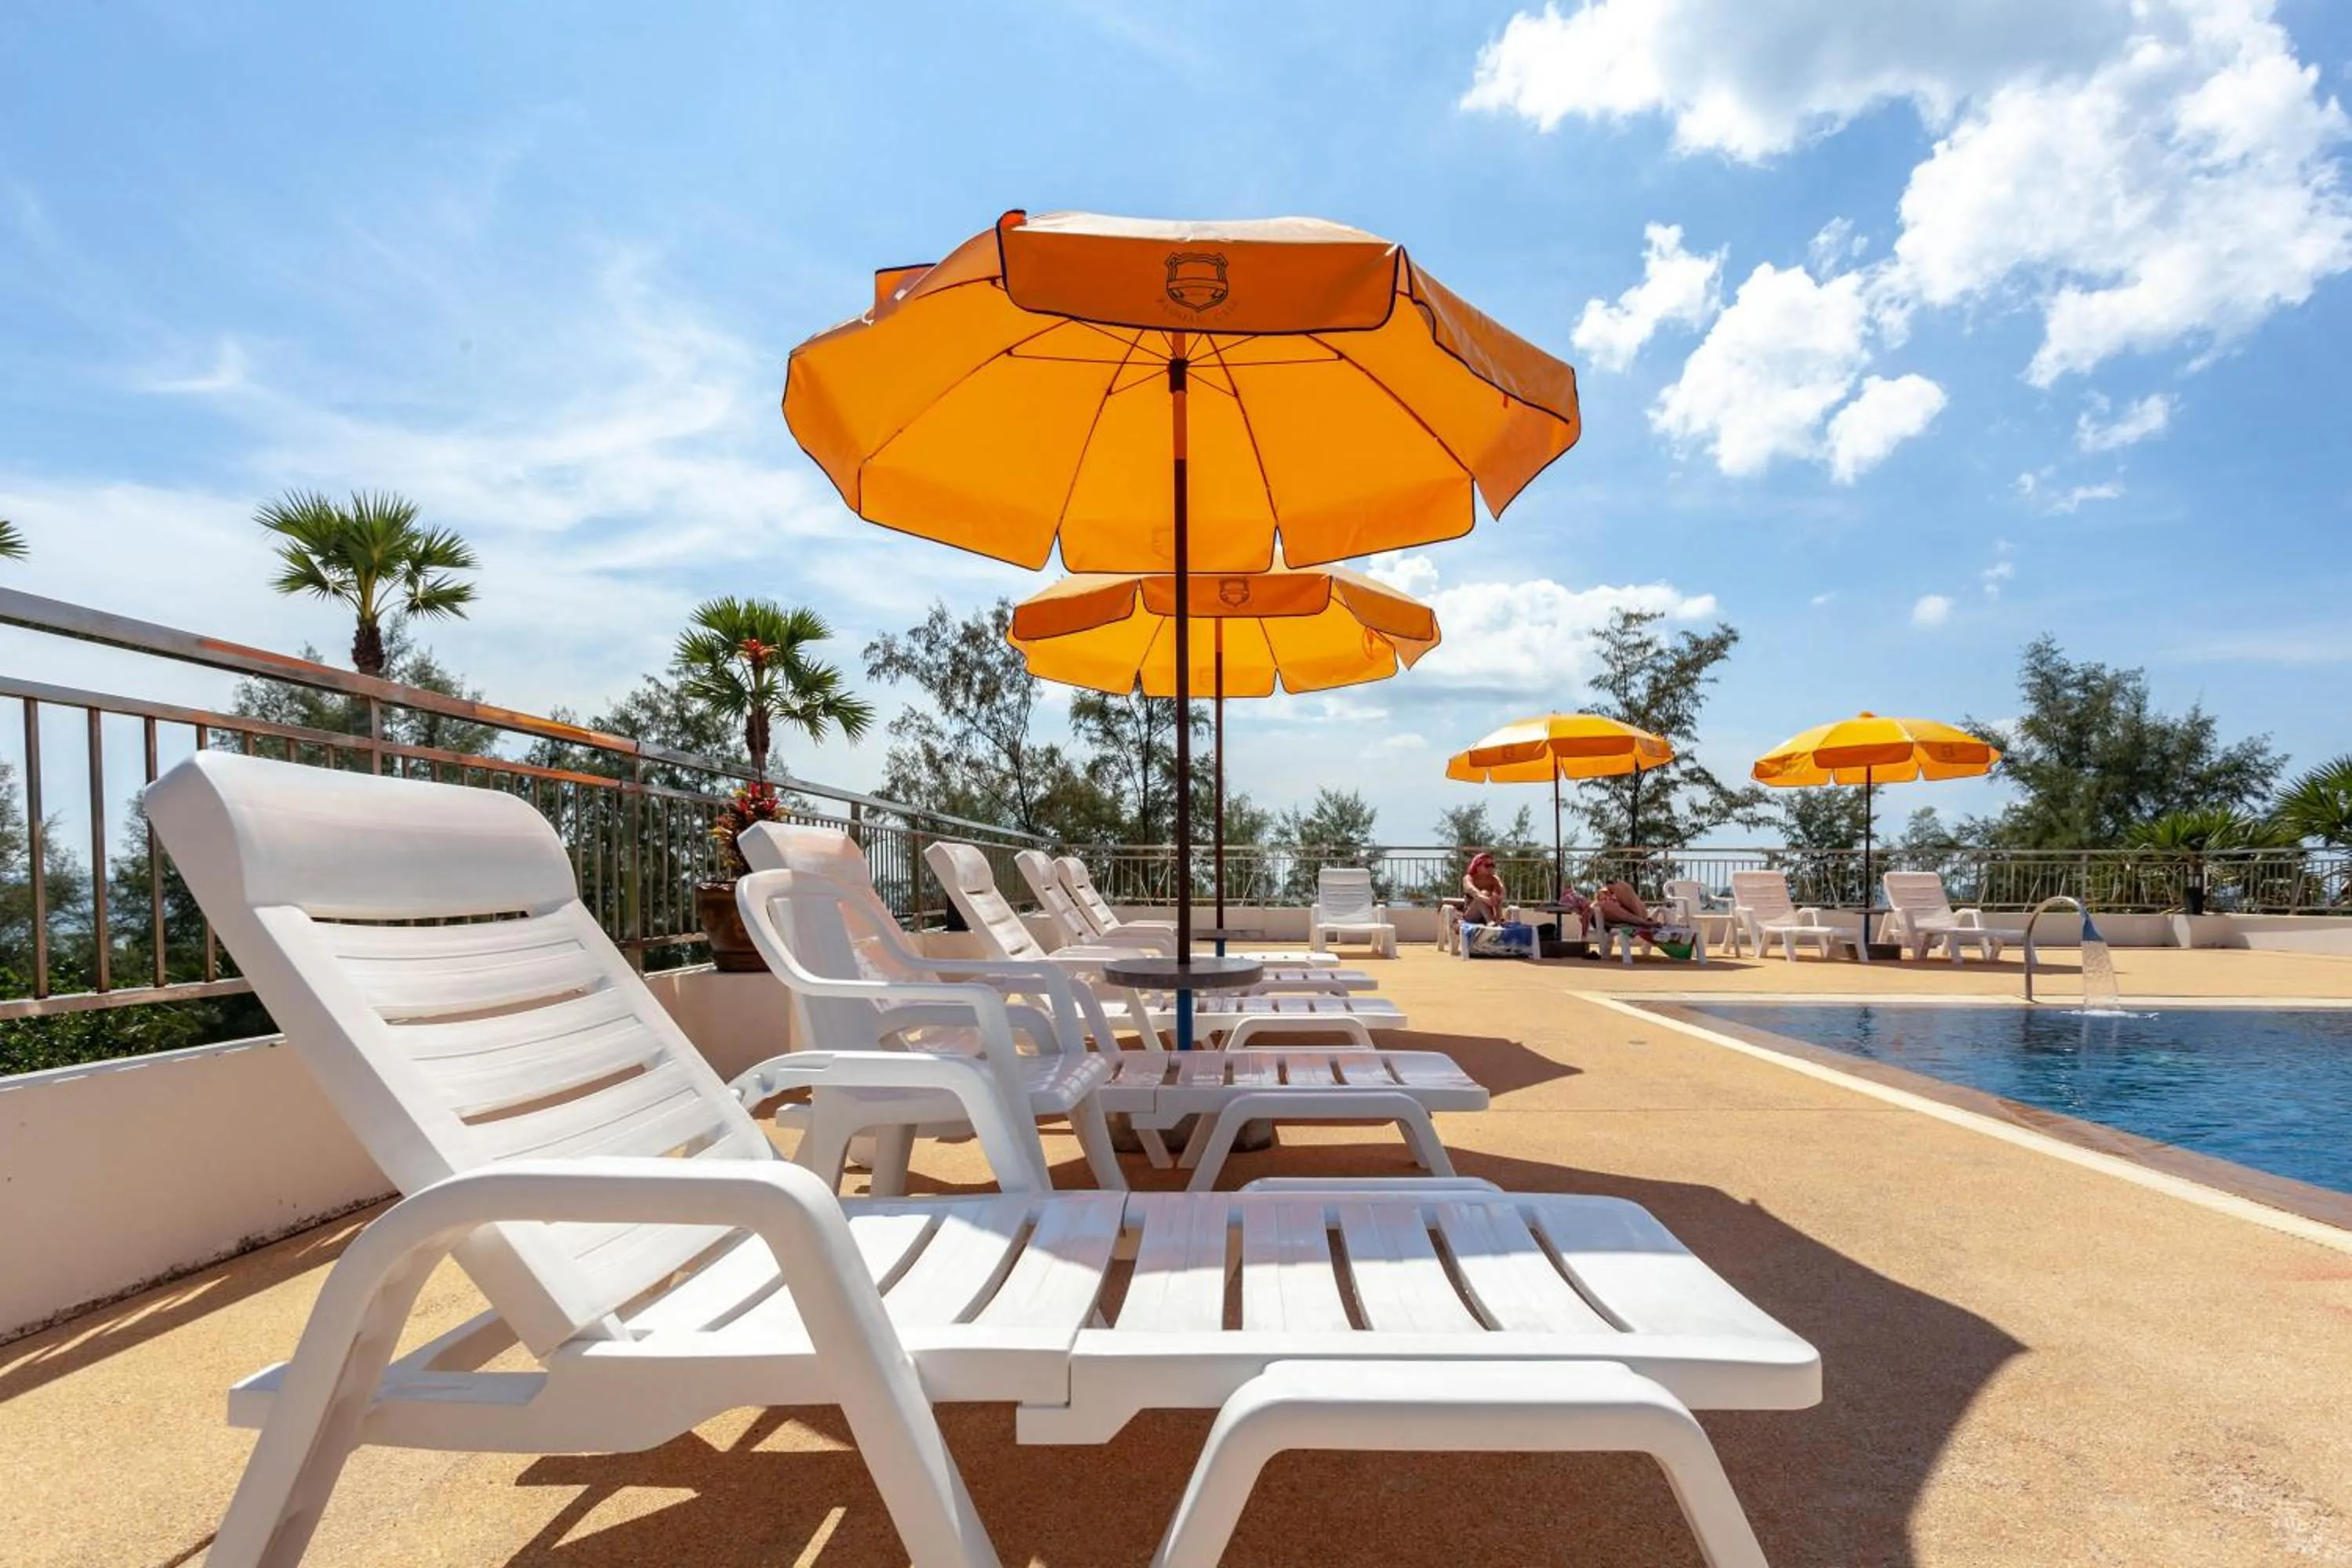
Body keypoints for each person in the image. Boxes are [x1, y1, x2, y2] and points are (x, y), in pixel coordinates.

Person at [1461, 851, 1508, 925]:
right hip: (1472, 915)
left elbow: (1503, 892)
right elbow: (1474, 892)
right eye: (1487, 865)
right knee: (1483, 894)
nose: (1491, 868)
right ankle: (1490, 921)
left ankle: (1498, 920)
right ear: (1477, 866)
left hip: (1487, 914)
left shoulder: (1494, 879)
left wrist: (1498, 897)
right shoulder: (1468, 878)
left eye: (1492, 865)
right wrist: (1486, 899)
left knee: (1496, 896)